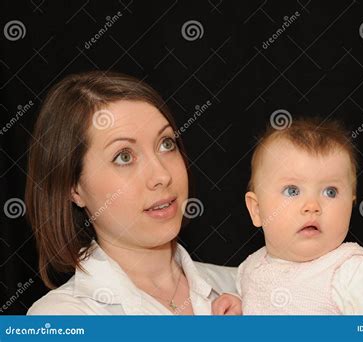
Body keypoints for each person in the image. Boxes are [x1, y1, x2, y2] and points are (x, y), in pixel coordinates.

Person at [25, 71, 240, 315]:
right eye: (124, 157)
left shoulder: (245, 285)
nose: (162, 175)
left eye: (166, 144)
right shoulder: (60, 317)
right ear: (73, 188)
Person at [214, 117, 363, 315]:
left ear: (351, 204)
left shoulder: (352, 271)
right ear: (257, 210)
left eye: (330, 192)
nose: (312, 206)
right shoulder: (250, 270)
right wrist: (239, 308)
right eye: (292, 191)